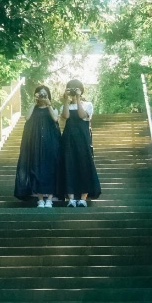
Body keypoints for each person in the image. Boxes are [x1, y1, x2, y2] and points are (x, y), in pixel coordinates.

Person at [14, 85, 61, 208]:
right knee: (37, 169)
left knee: (51, 169)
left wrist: (48, 104)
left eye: (45, 94)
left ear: (49, 95)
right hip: (35, 143)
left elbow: (55, 118)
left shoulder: (53, 108)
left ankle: (50, 198)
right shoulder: (33, 108)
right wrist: (34, 102)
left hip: (51, 143)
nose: (42, 96)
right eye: (40, 94)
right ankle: (40, 199)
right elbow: (27, 118)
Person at [57, 79, 101, 207]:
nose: (73, 91)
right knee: (68, 165)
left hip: (83, 138)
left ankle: (83, 198)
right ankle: (70, 198)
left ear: (81, 90)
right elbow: (65, 116)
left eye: (76, 89)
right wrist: (66, 100)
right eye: (71, 88)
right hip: (68, 138)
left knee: (84, 165)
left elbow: (82, 116)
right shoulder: (65, 105)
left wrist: (78, 99)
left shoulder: (88, 105)